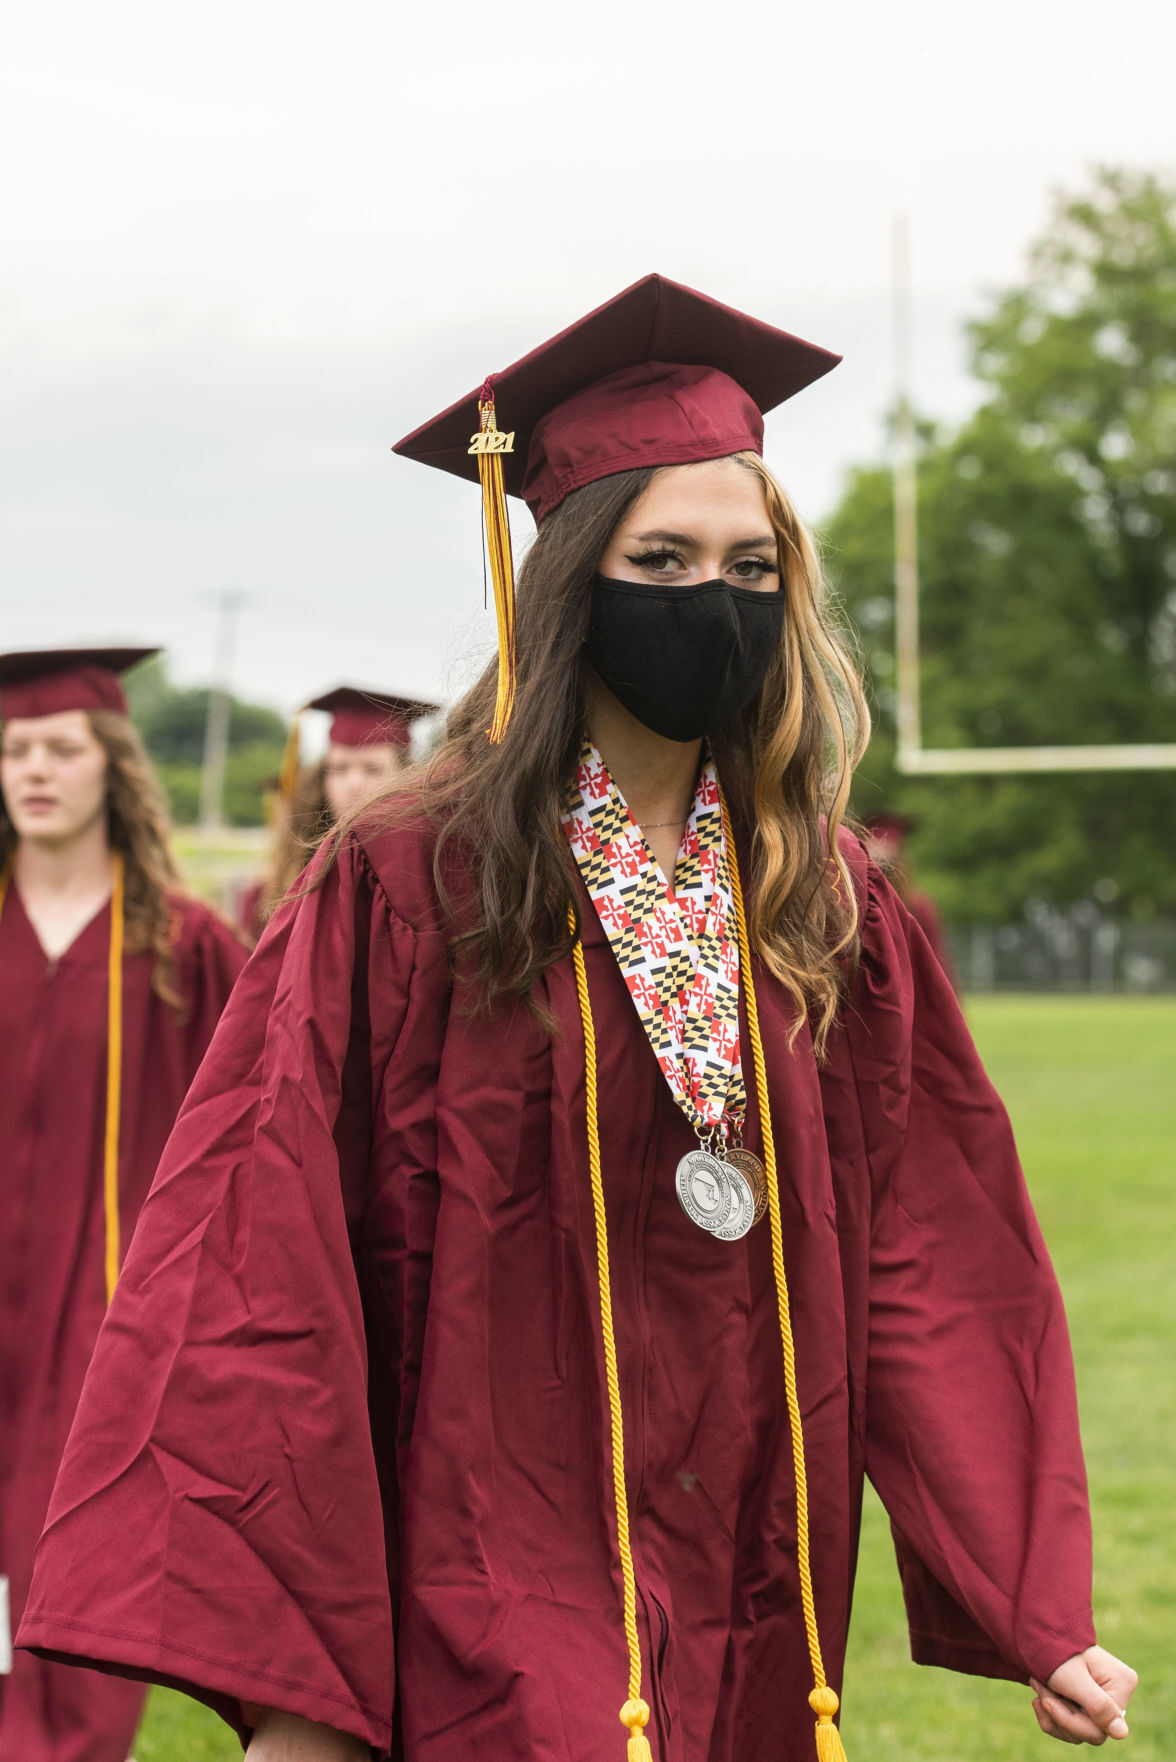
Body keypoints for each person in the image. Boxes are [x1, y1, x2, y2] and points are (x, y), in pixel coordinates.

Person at [19, 279, 1136, 1761]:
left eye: (750, 564)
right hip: (490, 1531)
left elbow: (931, 1250)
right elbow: (262, 1250)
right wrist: (304, 1685)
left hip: (757, 1540)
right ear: (565, 581)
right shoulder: (417, 879)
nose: (712, 598)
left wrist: (1032, 1599)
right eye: (661, 557)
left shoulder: (821, 900)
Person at [0, 647, 249, 1762]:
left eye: (61, 747)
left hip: (106, 1321)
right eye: (14, 750)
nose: (35, 769)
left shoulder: (182, 947)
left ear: (114, 766)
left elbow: (261, 1115)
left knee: (69, 1558)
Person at [238, 687, 437, 942]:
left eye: (373, 769)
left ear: (407, 778)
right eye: (340, 768)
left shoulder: (431, 879)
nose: (354, 784)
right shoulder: (273, 890)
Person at [862, 812, 959, 991]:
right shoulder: (854, 905)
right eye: (875, 863)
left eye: (887, 865)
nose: (881, 872)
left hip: (909, 993)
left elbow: (935, 967)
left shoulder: (919, 908)